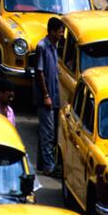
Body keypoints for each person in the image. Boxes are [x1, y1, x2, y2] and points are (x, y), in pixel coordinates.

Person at [33, 17, 64, 177]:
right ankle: (49, 167)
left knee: (48, 133)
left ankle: (43, 164)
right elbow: (39, 73)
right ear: (52, 31)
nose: (61, 35)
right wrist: (46, 95)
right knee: (48, 134)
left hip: (54, 97)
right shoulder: (42, 47)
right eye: (59, 32)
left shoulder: (54, 47)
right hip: (46, 97)